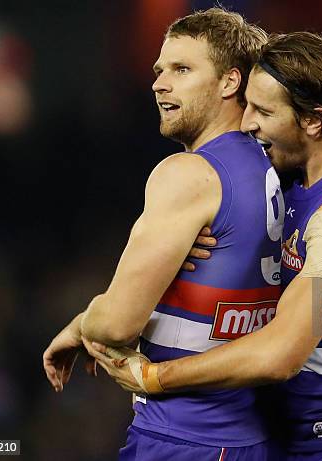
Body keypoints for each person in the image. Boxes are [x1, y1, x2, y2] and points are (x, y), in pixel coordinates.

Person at [86, 31, 322, 461]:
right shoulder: (297, 174)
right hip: (287, 437)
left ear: (314, 121)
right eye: (246, 104)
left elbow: (281, 354)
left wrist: (155, 377)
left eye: (263, 110)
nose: (247, 123)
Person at [43, 8, 285, 461]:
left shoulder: (186, 174)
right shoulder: (273, 166)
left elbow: (116, 326)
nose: (159, 83)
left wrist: (81, 324)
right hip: (253, 439)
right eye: (159, 71)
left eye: (182, 69)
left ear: (230, 82)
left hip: (184, 438)